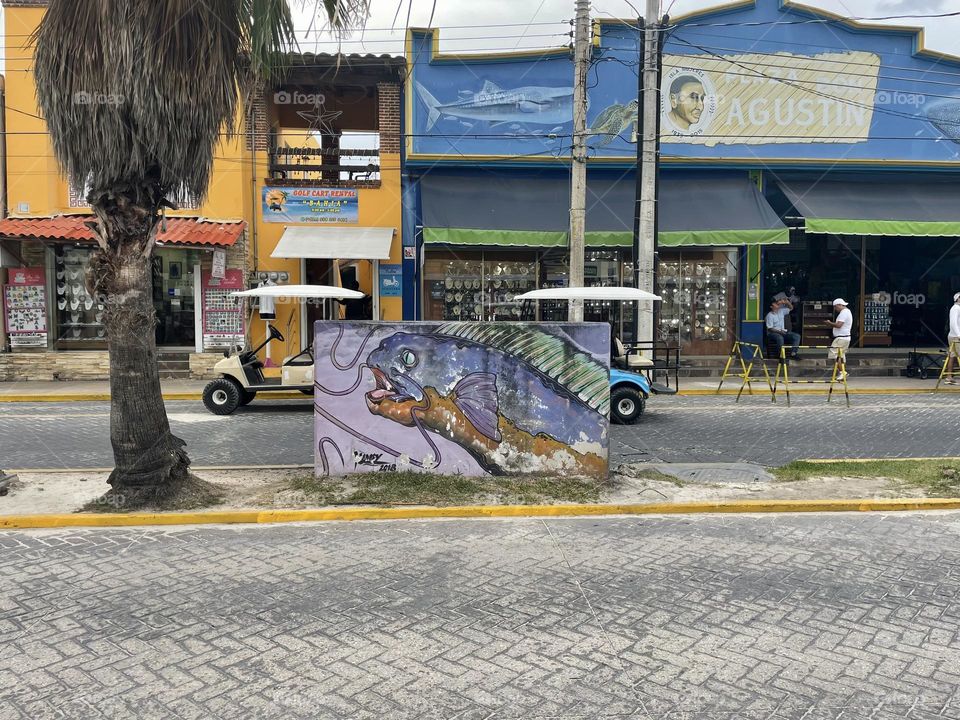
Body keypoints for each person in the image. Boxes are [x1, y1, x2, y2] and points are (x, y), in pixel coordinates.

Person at [825, 298, 853, 380]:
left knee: (834, 354)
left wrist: (829, 323)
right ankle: (842, 372)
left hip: (841, 338)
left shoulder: (844, 313)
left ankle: (842, 372)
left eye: (835, 307)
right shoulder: (847, 311)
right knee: (841, 356)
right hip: (846, 337)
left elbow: (839, 325)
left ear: (839, 305)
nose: (835, 309)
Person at [945, 292, 960, 385]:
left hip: (954, 335)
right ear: (957, 299)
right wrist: (959, 335)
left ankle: (949, 376)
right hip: (955, 336)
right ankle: (949, 376)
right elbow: (953, 323)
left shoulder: (957, 308)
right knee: (955, 356)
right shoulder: (956, 308)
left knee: (952, 356)